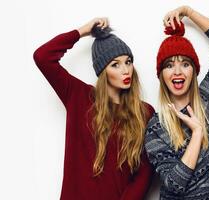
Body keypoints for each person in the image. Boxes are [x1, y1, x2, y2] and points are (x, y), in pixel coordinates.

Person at [33, 17, 154, 200]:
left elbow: (144, 173)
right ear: (103, 71)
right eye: (116, 64)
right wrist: (83, 31)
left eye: (128, 61)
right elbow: (43, 57)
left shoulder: (144, 112)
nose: (125, 70)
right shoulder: (79, 96)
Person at [144, 6, 209, 199]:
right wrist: (197, 133)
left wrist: (189, 12)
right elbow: (173, 185)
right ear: (162, 75)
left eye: (185, 64)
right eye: (169, 65)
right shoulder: (156, 128)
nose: (178, 71)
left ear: (194, 71)